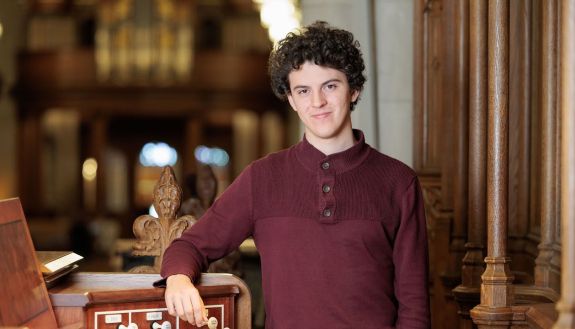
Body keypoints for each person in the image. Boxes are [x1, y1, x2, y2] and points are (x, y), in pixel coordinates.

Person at [157, 21, 430, 329]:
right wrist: (178, 279)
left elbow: (414, 306)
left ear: (354, 90)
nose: (317, 102)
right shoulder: (262, 178)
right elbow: (190, 246)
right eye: (303, 90)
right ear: (291, 99)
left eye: (330, 86)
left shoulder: (399, 181)